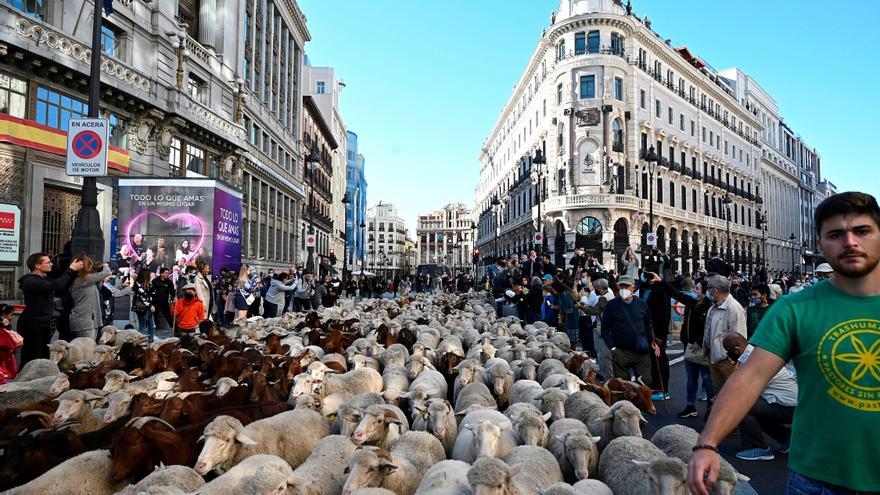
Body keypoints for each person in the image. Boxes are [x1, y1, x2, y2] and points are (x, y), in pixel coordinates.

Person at [688, 192, 880, 495]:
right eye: (836, 234)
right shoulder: (794, 308)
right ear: (819, 245)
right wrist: (707, 443)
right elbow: (750, 376)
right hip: (816, 480)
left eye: (862, 231)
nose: (850, 242)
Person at [722, 332, 797, 462]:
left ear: (736, 350)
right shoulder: (754, 355)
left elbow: (747, 391)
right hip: (788, 404)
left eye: (729, 351)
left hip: (789, 407)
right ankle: (787, 439)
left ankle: (759, 448)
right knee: (757, 411)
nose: (728, 355)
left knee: (740, 407)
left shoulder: (754, 361)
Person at [653, 274, 715, 419]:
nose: (694, 290)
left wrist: (699, 342)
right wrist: (661, 281)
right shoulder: (692, 303)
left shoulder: (710, 307)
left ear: (705, 292)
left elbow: (710, 327)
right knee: (691, 379)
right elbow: (676, 294)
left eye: (698, 288)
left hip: (703, 347)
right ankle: (690, 406)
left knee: (707, 379)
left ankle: (712, 409)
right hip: (689, 346)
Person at [18, 253, 83, 366]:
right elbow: (57, 285)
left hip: (44, 322)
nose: (51, 264)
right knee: (32, 356)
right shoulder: (31, 281)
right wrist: (71, 269)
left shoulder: (44, 278)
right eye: (48, 262)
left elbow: (61, 284)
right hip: (33, 323)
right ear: (37, 266)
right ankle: (26, 379)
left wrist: (73, 270)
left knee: (43, 353)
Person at [600, 275, 659, 383]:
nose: (623, 289)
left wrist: (653, 341)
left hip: (641, 351)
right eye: (621, 286)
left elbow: (648, 325)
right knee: (623, 387)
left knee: (645, 383)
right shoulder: (611, 305)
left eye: (626, 286)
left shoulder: (642, 304)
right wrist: (613, 349)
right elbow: (604, 329)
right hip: (620, 351)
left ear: (633, 287)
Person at [702, 274, 747, 391]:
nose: (707, 291)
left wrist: (731, 360)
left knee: (732, 393)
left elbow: (739, 336)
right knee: (719, 393)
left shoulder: (734, 308)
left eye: (708, 288)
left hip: (727, 361)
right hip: (713, 357)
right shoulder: (713, 307)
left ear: (715, 290)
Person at [68, 256, 111, 340]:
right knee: (88, 349)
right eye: (89, 265)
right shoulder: (83, 280)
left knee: (89, 348)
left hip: (88, 320)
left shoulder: (85, 280)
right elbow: (106, 272)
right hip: (84, 321)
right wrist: (105, 265)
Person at [132, 268, 156, 342]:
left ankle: (150, 341)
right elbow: (142, 297)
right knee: (143, 326)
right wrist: (150, 306)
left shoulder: (148, 284)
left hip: (148, 307)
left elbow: (153, 293)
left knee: (152, 326)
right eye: (149, 275)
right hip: (142, 308)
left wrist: (151, 282)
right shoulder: (137, 284)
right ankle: (140, 342)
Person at [0, 304, 22, 383]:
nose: (13, 317)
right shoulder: (4, 326)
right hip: (5, 352)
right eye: (11, 315)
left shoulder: (6, 325)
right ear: (4, 315)